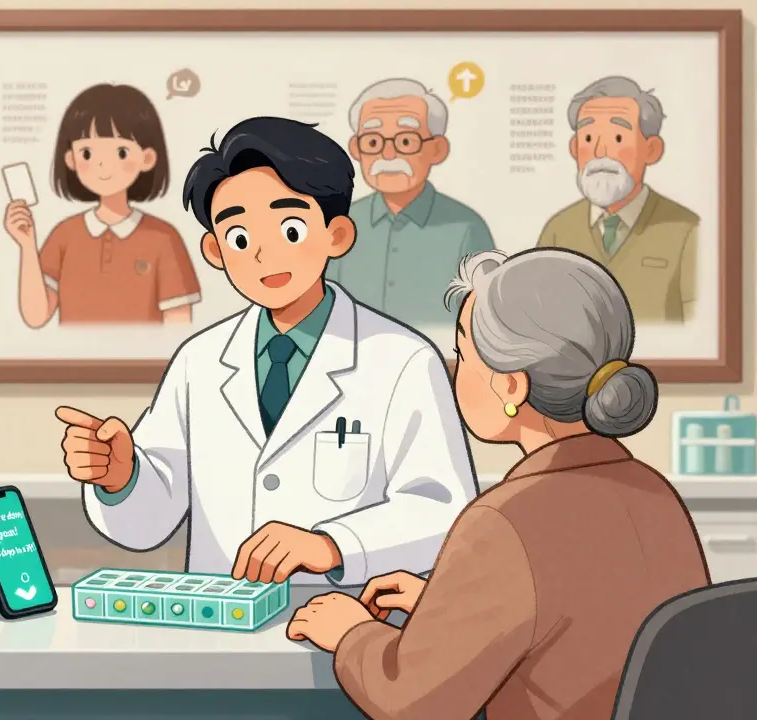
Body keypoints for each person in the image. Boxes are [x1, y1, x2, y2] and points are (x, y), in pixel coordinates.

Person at [287, 248, 709, 720]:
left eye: (462, 354)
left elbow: (413, 704)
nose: (455, 371)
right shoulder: (654, 493)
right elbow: (580, 620)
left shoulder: (506, 520)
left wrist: (351, 632)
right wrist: (447, 610)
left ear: (511, 386)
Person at [54, 116, 476, 588]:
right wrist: (121, 477)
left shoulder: (401, 360)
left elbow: (442, 511)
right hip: (221, 616)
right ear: (215, 251)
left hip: (347, 621)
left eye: (290, 229)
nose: (263, 255)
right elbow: (149, 522)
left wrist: (330, 545)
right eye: (240, 238)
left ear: (337, 235)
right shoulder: (199, 361)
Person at [4, 84, 201, 326]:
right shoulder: (64, 235)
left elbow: (178, 325)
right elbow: (36, 316)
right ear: (71, 159)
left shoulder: (164, 238)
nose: (102, 164)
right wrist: (27, 245)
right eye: (87, 153)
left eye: (121, 152)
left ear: (147, 158)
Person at [325, 78, 494, 328]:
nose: (388, 154)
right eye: (373, 142)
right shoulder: (341, 222)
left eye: (406, 141)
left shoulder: (467, 227)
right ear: (356, 149)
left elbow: (487, 323)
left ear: (437, 149)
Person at [537, 76, 698, 323]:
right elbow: (537, 321)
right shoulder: (558, 230)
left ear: (652, 150)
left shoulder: (687, 231)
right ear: (575, 148)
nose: (600, 151)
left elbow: (704, 330)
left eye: (618, 139)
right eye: (588, 139)